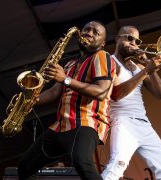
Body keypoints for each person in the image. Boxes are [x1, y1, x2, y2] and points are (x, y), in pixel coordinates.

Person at [17, 21, 116, 180]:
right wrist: (30, 100)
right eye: (86, 29)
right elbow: (55, 92)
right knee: (24, 166)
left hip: (86, 122)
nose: (89, 33)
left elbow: (101, 92)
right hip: (60, 126)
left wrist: (66, 79)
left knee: (81, 162)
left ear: (102, 43)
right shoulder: (70, 64)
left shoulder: (102, 56)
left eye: (95, 32)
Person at [101, 26, 161, 180]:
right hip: (122, 121)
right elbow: (116, 94)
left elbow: (160, 94)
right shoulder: (110, 61)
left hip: (144, 124)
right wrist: (145, 71)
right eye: (129, 38)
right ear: (117, 39)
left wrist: (150, 67)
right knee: (117, 166)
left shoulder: (139, 67)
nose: (134, 43)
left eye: (137, 41)